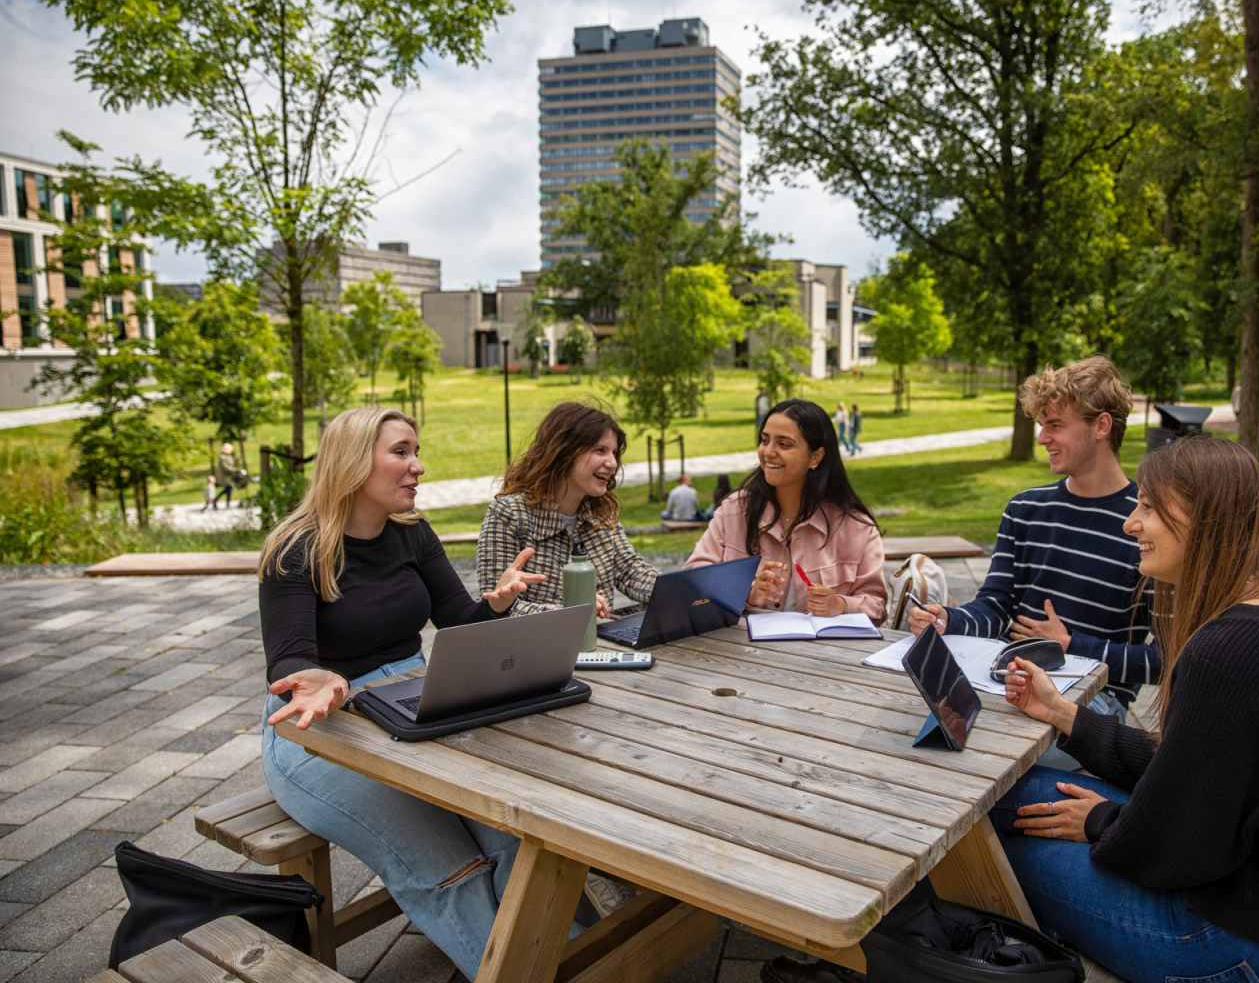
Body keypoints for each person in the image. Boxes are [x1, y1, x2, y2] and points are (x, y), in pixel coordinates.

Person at [990, 435, 1259, 983]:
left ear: (1205, 517)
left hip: (1230, 940)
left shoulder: (1225, 651)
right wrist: (1062, 715)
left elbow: (1179, 839)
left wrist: (1100, 821)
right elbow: (1189, 770)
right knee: (1006, 793)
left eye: (1148, 507)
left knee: (985, 843)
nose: (1129, 524)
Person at [259, 407, 559, 978]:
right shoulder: (294, 549)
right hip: (315, 731)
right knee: (446, 865)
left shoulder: (411, 533)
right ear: (352, 461)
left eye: (415, 452)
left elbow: (457, 623)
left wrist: (495, 603)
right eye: (401, 452)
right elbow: (290, 661)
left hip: (407, 706)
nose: (417, 466)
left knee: (516, 837)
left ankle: (573, 960)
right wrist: (322, 678)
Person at [909, 356, 1156, 736]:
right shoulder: (1025, 509)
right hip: (1009, 683)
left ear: (1101, 426)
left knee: (970, 747)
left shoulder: (1148, 525)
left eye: (1055, 425)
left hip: (1093, 707)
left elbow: (1165, 661)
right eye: (1042, 425)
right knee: (923, 729)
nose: (1042, 439)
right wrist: (949, 619)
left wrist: (1072, 645)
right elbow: (995, 606)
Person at [687, 399, 886, 622]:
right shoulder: (733, 512)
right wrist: (747, 594)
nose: (768, 452)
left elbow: (877, 608)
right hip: (742, 654)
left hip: (824, 655)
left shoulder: (857, 527)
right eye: (764, 440)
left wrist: (840, 605)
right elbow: (693, 583)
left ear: (815, 457)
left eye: (784, 444)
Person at [478, 401, 657, 618]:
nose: (612, 463)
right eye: (600, 450)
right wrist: (573, 611)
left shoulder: (601, 512)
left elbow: (631, 572)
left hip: (599, 647)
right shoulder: (509, 514)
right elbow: (493, 604)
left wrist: (679, 590)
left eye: (614, 453)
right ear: (564, 452)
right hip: (535, 649)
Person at [213, 442, 238, 508]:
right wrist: (233, 470)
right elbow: (225, 467)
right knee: (228, 489)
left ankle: (227, 503)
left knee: (229, 489)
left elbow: (230, 464)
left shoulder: (228, 456)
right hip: (225, 476)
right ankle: (217, 500)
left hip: (229, 475)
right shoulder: (222, 457)